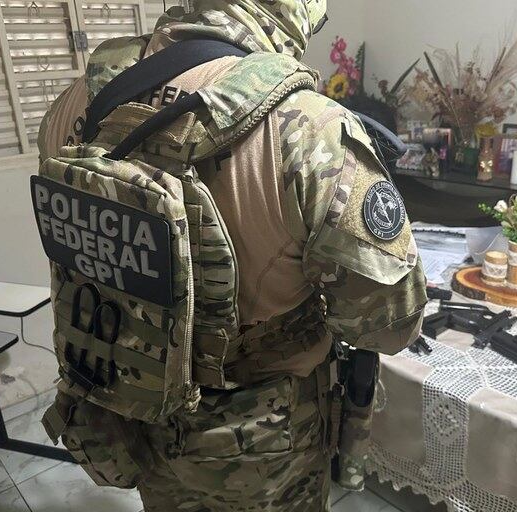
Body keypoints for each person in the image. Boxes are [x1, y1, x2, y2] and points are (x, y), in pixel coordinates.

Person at [36, 1, 427, 510]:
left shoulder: (81, 97)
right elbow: (389, 327)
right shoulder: (307, 127)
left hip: (133, 404)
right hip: (262, 445)